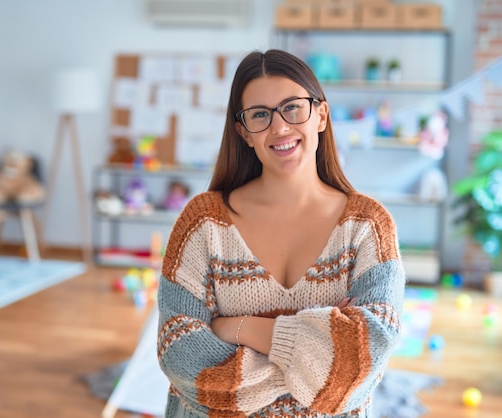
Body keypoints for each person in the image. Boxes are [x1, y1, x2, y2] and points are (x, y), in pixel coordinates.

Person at [157, 49, 406, 417]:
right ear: (244, 133)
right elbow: (181, 356)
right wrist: (319, 361)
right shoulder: (203, 223)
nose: (279, 128)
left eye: (292, 107)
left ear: (320, 115)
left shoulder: (367, 226)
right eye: (260, 115)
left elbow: (365, 360)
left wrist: (238, 328)